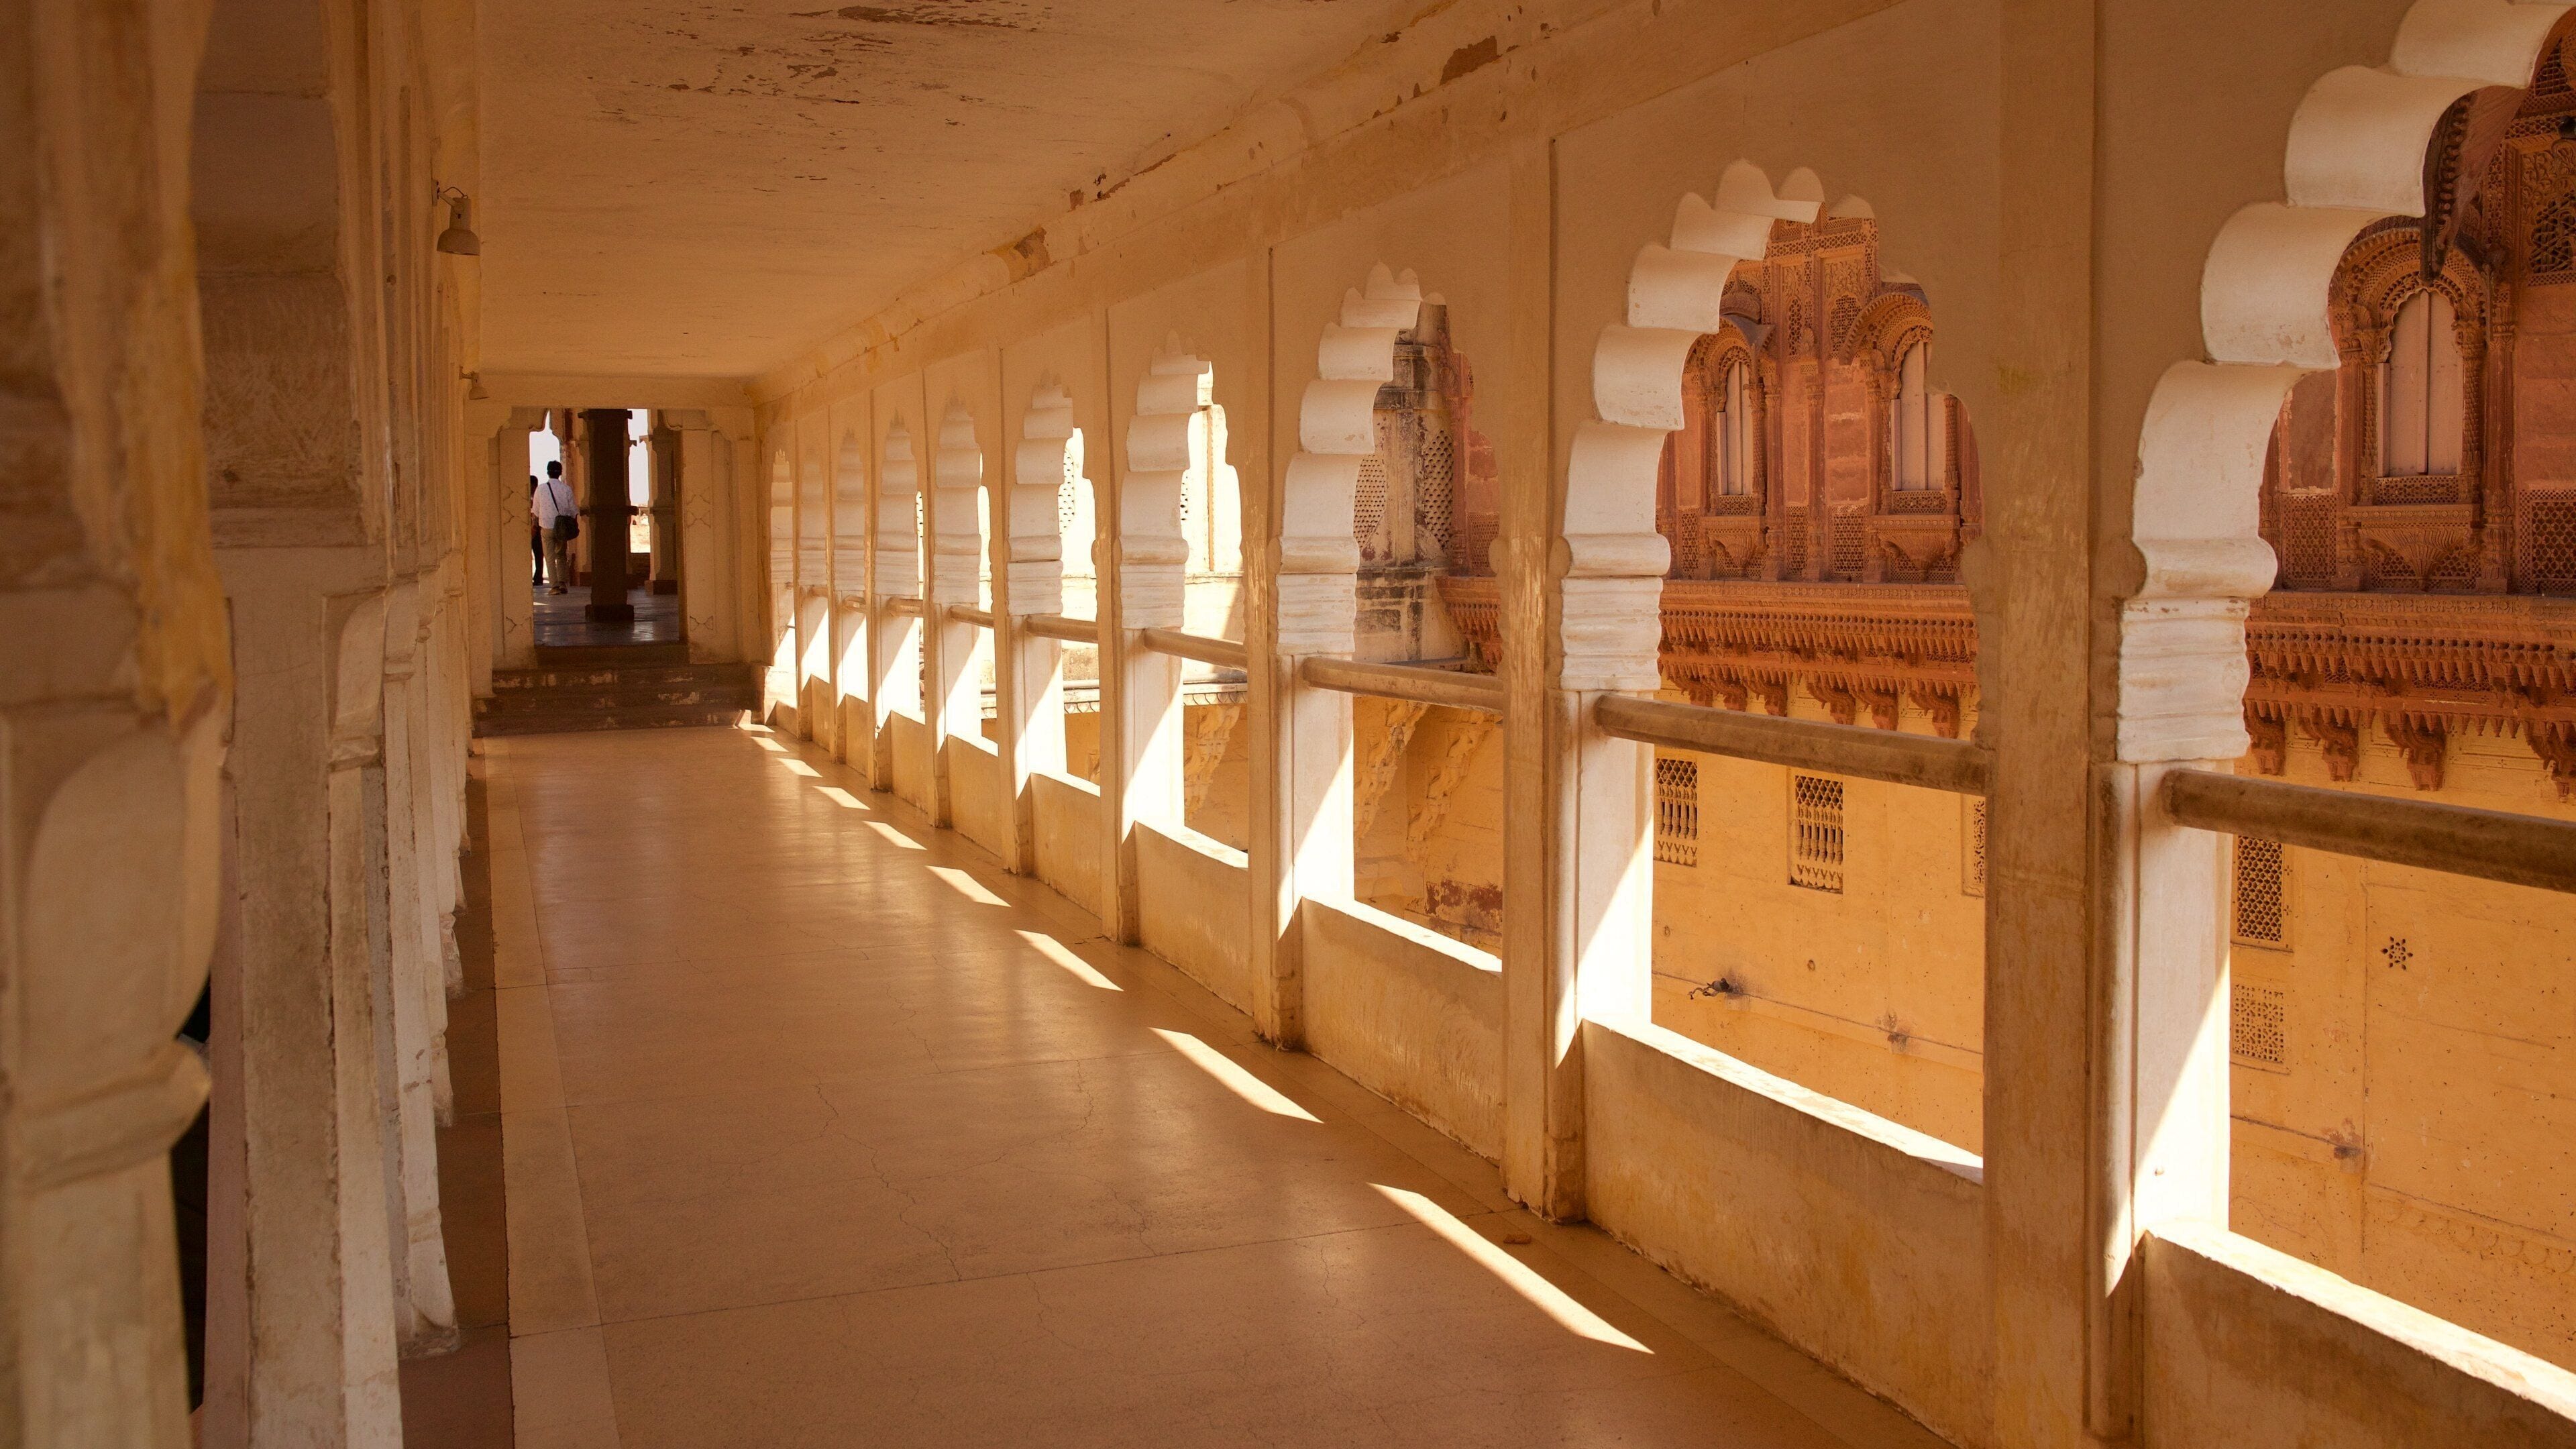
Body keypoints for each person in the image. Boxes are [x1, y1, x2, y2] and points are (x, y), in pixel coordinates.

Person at [533, 460, 578, 594]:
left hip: (546, 526)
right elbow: (573, 510)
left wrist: (535, 524)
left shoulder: (541, 489)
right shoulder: (566, 489)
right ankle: (563, 583)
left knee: (549, 557)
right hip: (562, 527)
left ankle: (554, 586)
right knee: (561, 555)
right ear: (560, 473)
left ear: (548, 472)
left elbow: (536, 511)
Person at [528, 474, 544, 586]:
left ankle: (538, 577)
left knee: (538, 554)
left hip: (537, 528)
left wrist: (534, 527)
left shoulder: (538, 498)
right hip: (530, 528)